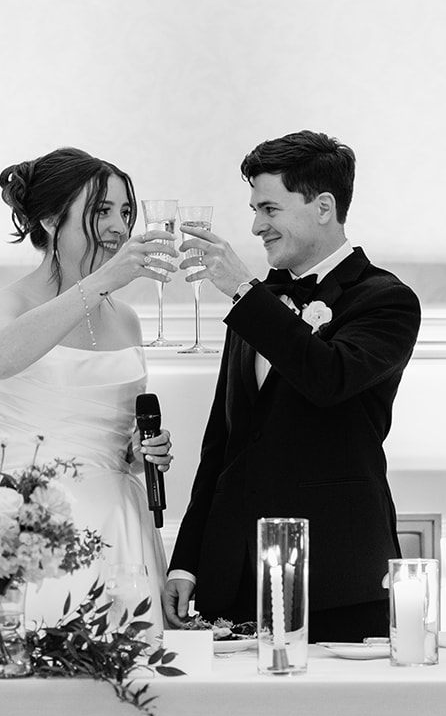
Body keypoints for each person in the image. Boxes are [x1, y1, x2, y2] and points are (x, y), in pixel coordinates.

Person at [163, 130, 422, 642]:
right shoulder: (260, 305)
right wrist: (186, 562)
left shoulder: (387, 300)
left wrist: (244, 292)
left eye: (270, 209)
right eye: (255, 210)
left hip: (336, 579)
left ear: (323, 206)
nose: (257, 225)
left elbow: (328, 378)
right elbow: (222, 443)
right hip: (232, 579)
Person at [0, 147, 176, 631]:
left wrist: (140, 449)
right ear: (47, 220)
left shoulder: (126, 319)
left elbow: (117, 435)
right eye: (101, 211)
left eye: (126, 212)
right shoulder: (1, 307)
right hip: (31, 530)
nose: (119, 227)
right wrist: (101, 280)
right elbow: (0, 358)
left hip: (124, 526)